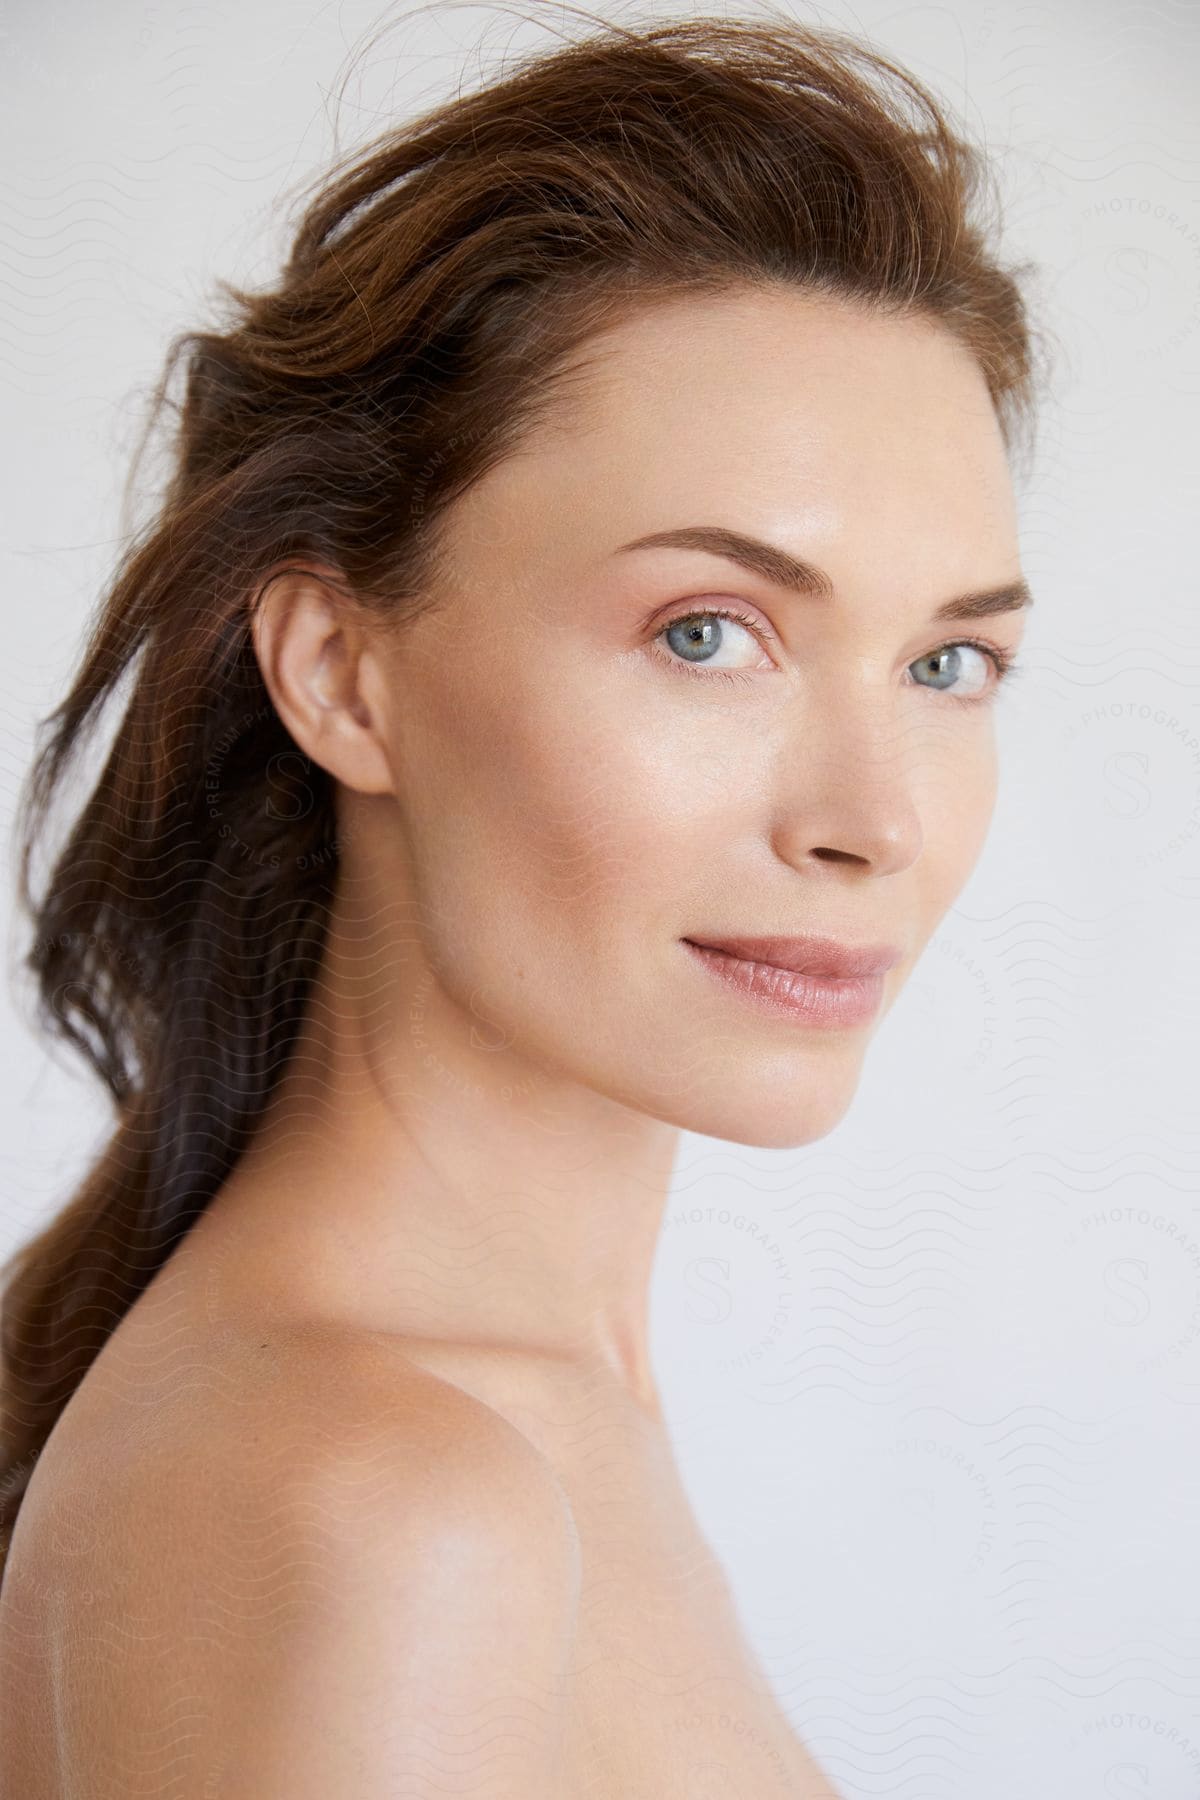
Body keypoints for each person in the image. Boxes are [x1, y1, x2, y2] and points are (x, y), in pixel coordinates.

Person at [0, 8, 1042, 1795]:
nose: (874, 820)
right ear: (340, 671)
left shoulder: (476, 1413)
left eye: (948, 662)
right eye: (708, 633)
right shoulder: (384, 1506)